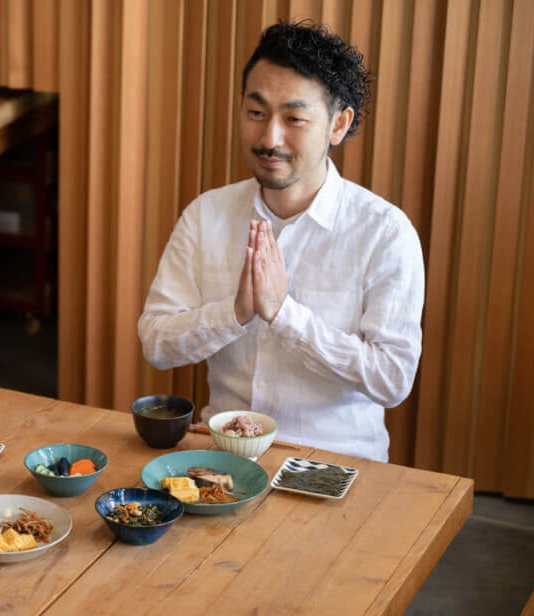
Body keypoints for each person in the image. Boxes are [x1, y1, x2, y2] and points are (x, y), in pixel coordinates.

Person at [138, 21, 424, 462]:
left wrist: (284, 316)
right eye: (256, 113)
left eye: (294, 119)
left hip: (336, 465)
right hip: (225, 460)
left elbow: (392, 380)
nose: (270, 138)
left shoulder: (385, 233)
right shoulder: (207, 215)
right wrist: (234, 314)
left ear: (338, 124)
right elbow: (156, 344)